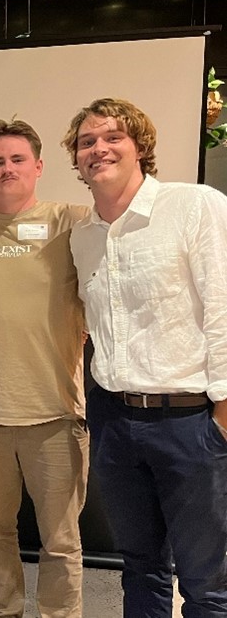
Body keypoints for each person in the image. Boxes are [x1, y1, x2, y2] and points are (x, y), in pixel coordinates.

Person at [62, 98, 227, 616]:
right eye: (87, 142)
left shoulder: (194, 205)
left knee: (207, 582)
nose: (99, 148)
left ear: (140, 147)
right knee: (140, 565)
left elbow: (224, 308)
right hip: (114, 419)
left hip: (191, 421)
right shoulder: (83, 236)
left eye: (112, 137)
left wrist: (223, 416)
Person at [0, 119, 90, 618]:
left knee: (60, 541)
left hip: (54, 413)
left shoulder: (72, 220)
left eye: (17, 159)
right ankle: (1, 613)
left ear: (38, 167)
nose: (7, 168)